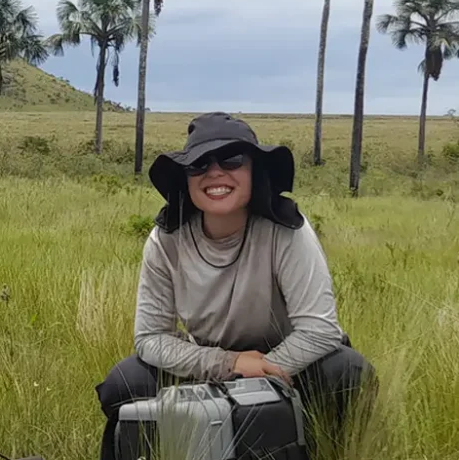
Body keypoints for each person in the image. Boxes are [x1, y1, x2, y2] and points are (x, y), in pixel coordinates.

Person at [95, 112, 375, 460]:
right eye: (199, 164)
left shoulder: (287, 230)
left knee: (347, 372)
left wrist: (258, 375)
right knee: (125, 382)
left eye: (231, 159)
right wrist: (229, 364)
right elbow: (150, 339)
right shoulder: (166, 239)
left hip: (293, 363)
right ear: (186, 178)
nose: (214, 172)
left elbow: (320, 331)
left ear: (255, 170)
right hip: (209, 361)